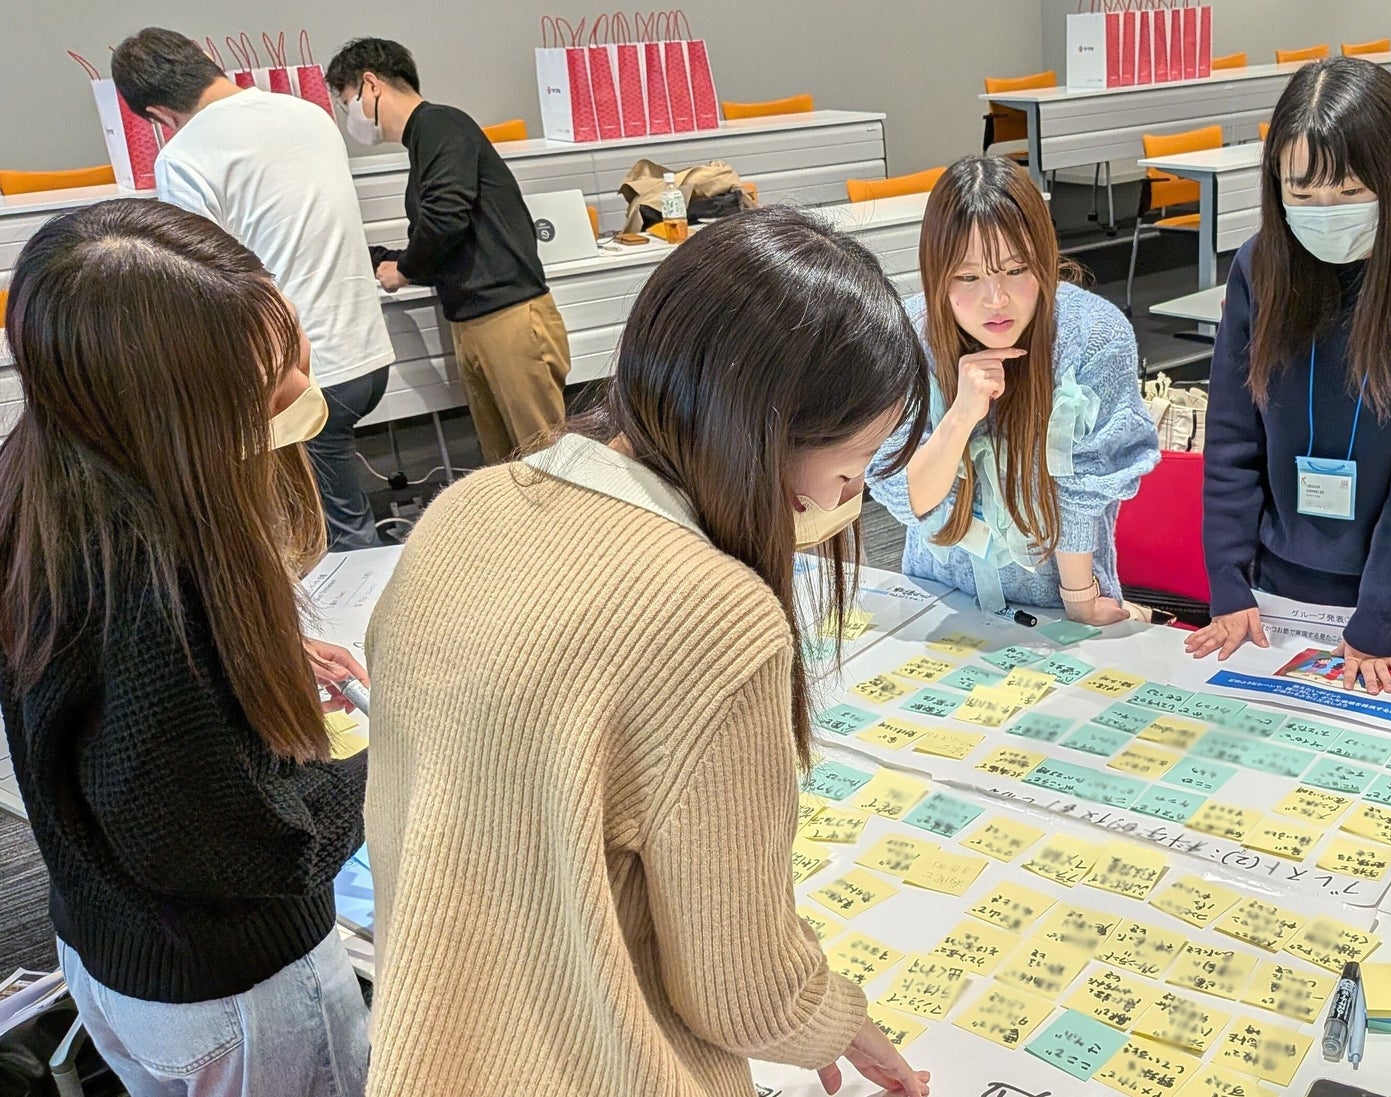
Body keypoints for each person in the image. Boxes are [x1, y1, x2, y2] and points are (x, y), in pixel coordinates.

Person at [360, 207, 932, 1097]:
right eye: (853, 461)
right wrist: (832, 1016)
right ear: (765, 431)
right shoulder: (716, 613)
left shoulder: (464, 509)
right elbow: (739, 990)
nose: (847, 494)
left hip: (429, 1053)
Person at [0, 200, 371, 1095]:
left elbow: (106, 724)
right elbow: (261, 846)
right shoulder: (151, 594)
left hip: (116, 951)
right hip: (231, 992)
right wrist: (387, 765)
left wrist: (261, 653)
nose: (297, 385)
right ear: (169, 408)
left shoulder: (48, 477)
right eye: (261, 380)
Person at [1186, 58, 1391, 693]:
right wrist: (1228, 578)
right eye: (1302, 193)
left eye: (1348, 193)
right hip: (1278, 585)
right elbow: (1233, 435)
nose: (1325, 211)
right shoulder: (1262, 267)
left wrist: (1378, 617)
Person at [113, 27, 393, 551]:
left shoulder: (183, 157)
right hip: (368, 357)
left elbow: (197, 283)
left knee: (328, 540)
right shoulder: (308, 114)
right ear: (206, 61)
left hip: (301, 375)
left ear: (157, 115)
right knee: (338, 520)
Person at [867, 155, 1160, 623]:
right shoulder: (905, 334)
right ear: (936, 274)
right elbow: (905, 496)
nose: (996, 299)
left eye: (1016, 269)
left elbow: (1084, 485)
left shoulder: (1094, 334)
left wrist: (1079, 598)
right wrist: (961, 416)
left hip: (1056, 602)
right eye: (968, 277)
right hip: (938, 595)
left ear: (1043, 259)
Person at [325, 37, 572, 465]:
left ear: (372, 84)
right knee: (505, 468)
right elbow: (447, 239)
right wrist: (383, 258)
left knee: (545, 464)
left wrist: (403, 269)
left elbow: (445, 221)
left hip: (507, 319)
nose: (352, 117)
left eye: (348, 103)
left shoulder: (440, 126)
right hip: (475, 322)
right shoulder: (425, 142)